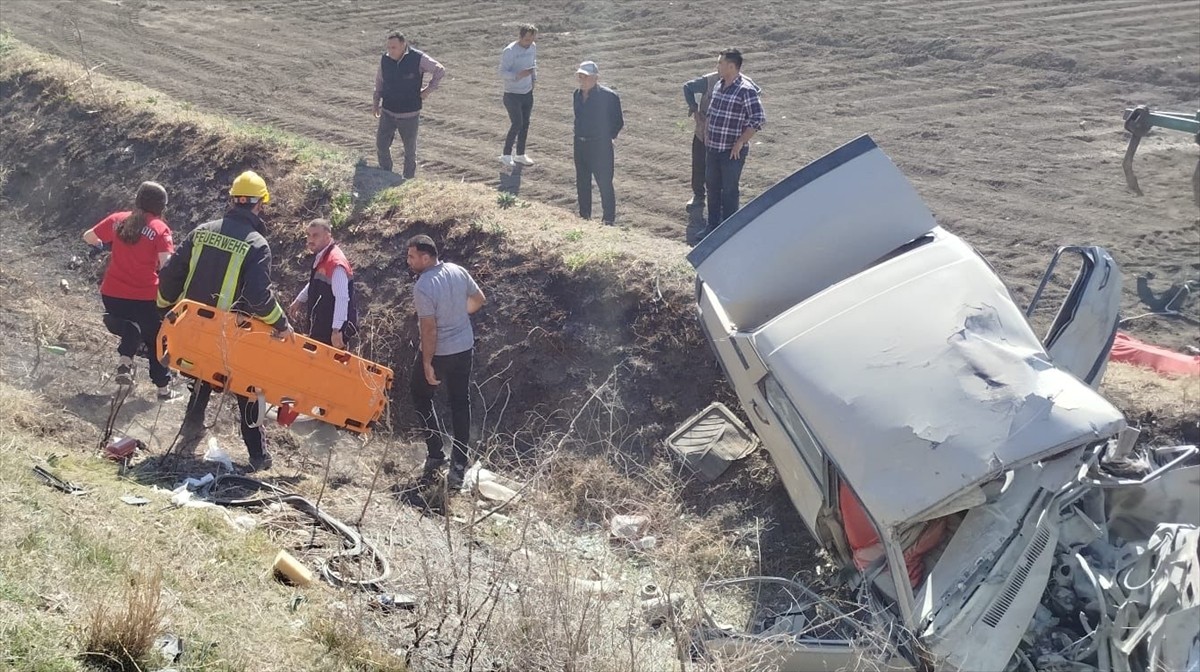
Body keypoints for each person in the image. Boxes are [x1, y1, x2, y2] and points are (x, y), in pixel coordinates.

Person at [157, 170, 294, 472]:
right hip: (232, 335)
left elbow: (169, 276)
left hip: (193, 330)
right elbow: (258, 298)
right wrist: (282, 324)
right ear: (260, 205)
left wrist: (163, 309)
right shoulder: (257, 244)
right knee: (250, 390)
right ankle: (258, 456)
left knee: (202, 375)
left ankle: (190, 430)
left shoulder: (202, 231)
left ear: (233, 200)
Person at [406, 235, 486, 489]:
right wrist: (459, 314)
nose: (409, 261)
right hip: (464, 348)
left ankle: (436, 454)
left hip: (440, 352)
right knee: (460, 402)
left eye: (412, 256)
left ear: (425, 257)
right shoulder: (457, 270)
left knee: (420, 394)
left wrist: (427, 363)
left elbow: (429, 330)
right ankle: (459, 464)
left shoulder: (423, 286)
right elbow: (479, 299)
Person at [83, 181, 176, 399]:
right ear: (161, 206)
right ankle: (163, 389)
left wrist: (105, 246)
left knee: (132, 324)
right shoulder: (160, 229)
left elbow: (89, 236)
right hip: (144, 298)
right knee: (156, 338)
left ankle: (125, 360)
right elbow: (167, 267)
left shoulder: (118, 219)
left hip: (111, 295)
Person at [704, 48, 765, 236]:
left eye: (720, 63)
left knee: (729, 191)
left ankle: (728, 233)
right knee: (712, 188)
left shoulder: (746, 90)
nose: (717, 66)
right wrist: (706, 131)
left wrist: (740, 142)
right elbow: (712, 112)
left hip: (732, 151)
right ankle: (712, 227)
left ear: (731, 66)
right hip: (713, 148)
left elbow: (758, 119)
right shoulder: (718, 85)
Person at [373, 32, 446, 179]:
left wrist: (428, 90)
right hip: (387, 111)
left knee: (409, 150)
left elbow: (440, 70)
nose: (390, 51)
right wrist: (376, 102)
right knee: (381, 145)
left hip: (409, 115)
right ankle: (386, 174)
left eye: (394, 47)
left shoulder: (418, 58)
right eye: (388, 47)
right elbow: (379, 81)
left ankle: (408, 179)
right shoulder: (385, 59)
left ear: (403, 45)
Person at [288, 219, 358, 350]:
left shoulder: (336, 263)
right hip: (320, 327)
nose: (310, 239)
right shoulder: (323, 256)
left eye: (315, 235)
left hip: (330, 334)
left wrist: (336, 330)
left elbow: (342, 298)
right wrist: (299, 300)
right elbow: (315, 281)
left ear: (327, 236)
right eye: (308, 235)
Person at [572, 61, 624, 226]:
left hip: (600, 146)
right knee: (582, 182)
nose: (582, 80)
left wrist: (607, 138)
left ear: (595, 78)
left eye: (586, 77)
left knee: (604, 183)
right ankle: (584, 216)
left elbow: (618, 121)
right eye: (580, 76)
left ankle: (608, 219)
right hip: (580, 144)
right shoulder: (576, 94)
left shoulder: (609, 97)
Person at [498, 24, 538, 168]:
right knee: (517, 123)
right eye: (527, 39)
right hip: (512, 94)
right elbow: (502, 72)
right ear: (520, 37)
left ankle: (520, 154)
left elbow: (533, 63)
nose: (529, 42)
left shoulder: (532, 47)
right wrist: (517, 75)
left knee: (525, 123)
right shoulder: (509, 51)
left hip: (527, 92)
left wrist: (534, 79)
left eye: (532, 39)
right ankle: (506, 155)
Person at [682, 69, 720, 213]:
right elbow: (688, 87)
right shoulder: (709, 81)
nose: (719, 67)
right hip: (703, 131)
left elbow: (756, 92)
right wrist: (694, 108)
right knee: (699, 163)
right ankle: (698, 195)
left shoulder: (743, 83)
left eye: (722, 64)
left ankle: (720, 199)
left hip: (725, 134)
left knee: (720, 167)